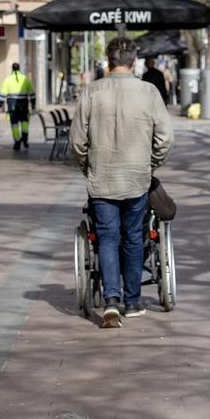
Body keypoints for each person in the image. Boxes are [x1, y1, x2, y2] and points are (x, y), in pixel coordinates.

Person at [71, 36, 173, 328]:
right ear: (134, 62)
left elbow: (77, 140)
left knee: (106, 237)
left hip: (101, 177)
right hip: (136, 178)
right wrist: (151, 163)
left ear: (108, 61)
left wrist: (87, 165)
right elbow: (165, 138)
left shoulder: (92, 92)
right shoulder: (148, 92)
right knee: (132, 237)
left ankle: (111, 299)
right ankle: (133, 300)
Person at [2, 62, 35, 151]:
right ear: (19, 68)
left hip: (12, 106)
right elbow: (32, 93)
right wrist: (33, 104)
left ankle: (17, 141)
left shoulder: (7, 80)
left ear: (12, 69)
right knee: (24, 122)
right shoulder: (25, 79)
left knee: (14, 124)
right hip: (24, 105)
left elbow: (2, 94)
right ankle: (24, 138)